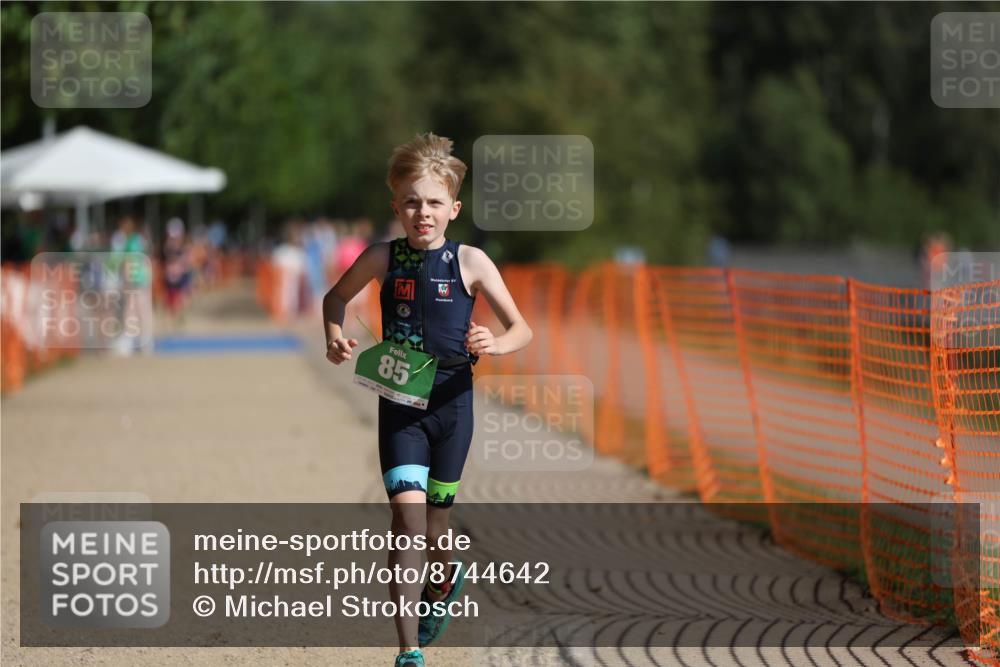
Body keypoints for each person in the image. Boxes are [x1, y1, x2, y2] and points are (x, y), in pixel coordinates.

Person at [322, 133, 532, 667]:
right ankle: (409, 649)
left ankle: (446, 574)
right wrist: (334, 334)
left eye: (434, 202)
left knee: (436, 530)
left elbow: (521, 329)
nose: (423, 212)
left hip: (453, 408)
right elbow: (336, 297)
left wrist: (495, 342)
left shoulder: (472, 262)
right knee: (407, 522)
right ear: (396, 206)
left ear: (453, 209)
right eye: (412, 201)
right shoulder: (381, 258)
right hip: (399, 406)